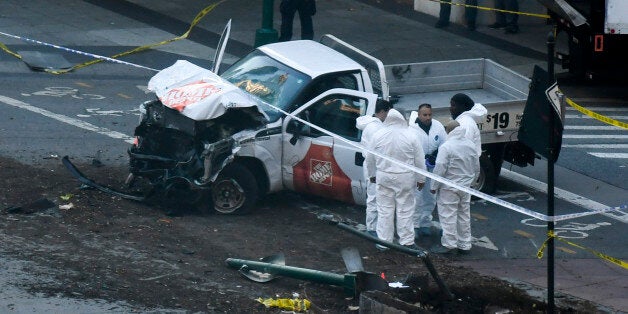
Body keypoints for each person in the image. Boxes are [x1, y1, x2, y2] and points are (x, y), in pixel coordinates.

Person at [365, 108, 426, 250]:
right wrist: (421, 178)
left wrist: (372, 175)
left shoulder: (378, 135)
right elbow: (419, 159)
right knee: (405, 209)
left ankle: (384, 242)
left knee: (384, 210)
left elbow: (369, 158)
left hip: (383, 176)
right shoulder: (411, 135)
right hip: (405, 177)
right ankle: (406, 241)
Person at [430, 120, 480, 254]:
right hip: (465, 187)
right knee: (464, 215)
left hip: (449, 188)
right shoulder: (470, 145)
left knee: (448, 216)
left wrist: (434, 186)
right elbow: (476, 167)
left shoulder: (446, 146)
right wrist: (473, 182)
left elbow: (440, 168)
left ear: (448, 132)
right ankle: (465, 244)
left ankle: (449, 245)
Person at [408, 103, 447, 237]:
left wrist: (435, 155)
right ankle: (414, 225)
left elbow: (444, 145)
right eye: (425, 115)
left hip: (432, 167)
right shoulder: (411, 129)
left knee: (430, 197)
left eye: (430, 114)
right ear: (419, 115)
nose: (428, 117)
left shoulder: (438, 126)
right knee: (416, 197)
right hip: (417, 168)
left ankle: (425, 223)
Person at [356, 100, 392, 237]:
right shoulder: (376, 128)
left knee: (375, 197)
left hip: (375, 165)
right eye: (388, 112)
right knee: (374, 197)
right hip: (374, 166)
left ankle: (374, 226)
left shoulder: (372, 125)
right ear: (382, 112)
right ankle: (372, 228)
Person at [449, 93, 487, 157]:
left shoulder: (465, 124)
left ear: (462, 107)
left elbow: (463, 149)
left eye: (453, 105)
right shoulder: (464, 120)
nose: (450, 108)